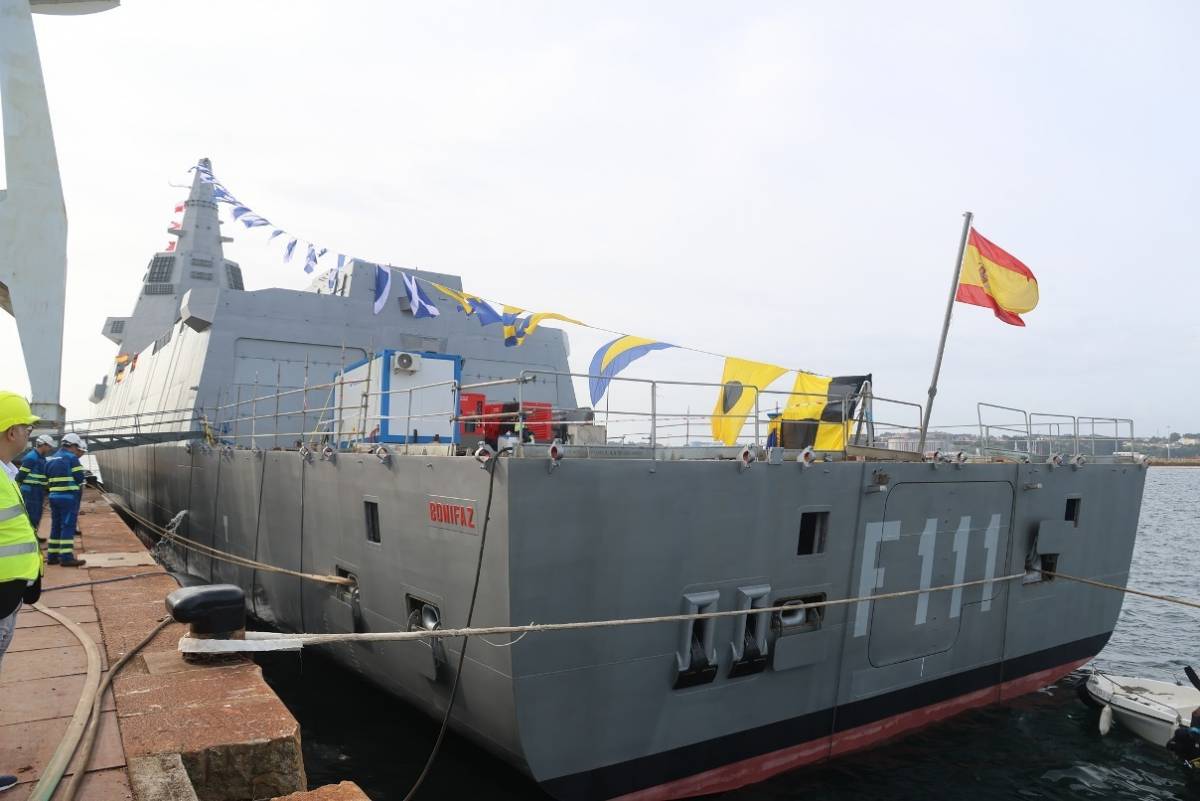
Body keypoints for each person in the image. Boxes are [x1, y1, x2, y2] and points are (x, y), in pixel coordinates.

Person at [0, 393, 45, 793]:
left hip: (8, 593)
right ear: (12, 430)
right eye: (27, 426)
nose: (30, 433)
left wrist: (31, 577)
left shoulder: (5, 472)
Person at [43, 433, 87, 568]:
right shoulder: (72, 458)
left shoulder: (50, 459)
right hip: (68, 497)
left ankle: (52, 556)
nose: (76, 450)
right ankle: (66, 557)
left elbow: (46, 477)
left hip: (53, 497)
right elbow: (79, 478)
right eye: (76, 447)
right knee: (67, 526)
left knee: (56, 526)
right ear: (72, 446)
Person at [16, 434, 55, 537]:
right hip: (30, 490)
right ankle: (30, 536)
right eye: (49, 446)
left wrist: (48, 487)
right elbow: (20, 476)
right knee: (32, 514)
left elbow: (43, 476)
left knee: (37, 514)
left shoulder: (41, 458)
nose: (50, 449)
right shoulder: (31, 457)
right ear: (43, 445)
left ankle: (34, 534)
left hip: (37, 490)